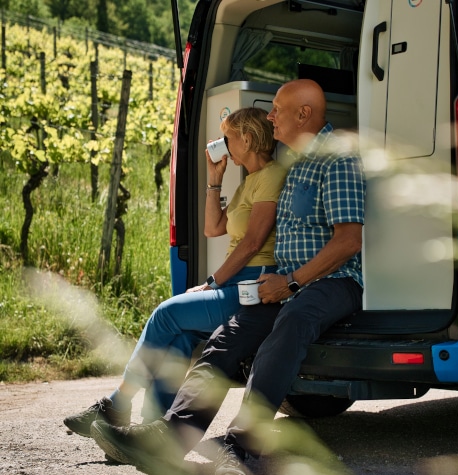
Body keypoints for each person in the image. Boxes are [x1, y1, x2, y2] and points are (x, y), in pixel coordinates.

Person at [89, 79, 366, 475]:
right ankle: (170, 437)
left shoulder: (337, 161)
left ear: (304, 114)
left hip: (332, 281)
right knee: (227, 337)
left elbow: (349, 241)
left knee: (291, 323)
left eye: (277, 108)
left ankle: (240, 449)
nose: (270, 115)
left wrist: (290, 283)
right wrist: (280, 283)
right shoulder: (294, 162)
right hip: (283, 283)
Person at [63, 107, 289, 436]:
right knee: (180, 338)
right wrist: (215, 179)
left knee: (165, 314)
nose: (223, 145)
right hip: (237, 284)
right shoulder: (249, 182)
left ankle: (117, 403)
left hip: (252, 285)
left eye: (228, 138)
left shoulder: (270, 176)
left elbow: (252, 243)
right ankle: (151, 428)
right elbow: (213, 228)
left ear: (248, 138)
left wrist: (212, 282)